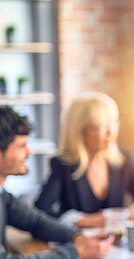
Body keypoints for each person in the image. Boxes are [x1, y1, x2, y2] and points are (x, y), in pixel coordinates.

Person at [0, 106, 113, 258]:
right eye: (21, 146)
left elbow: (35, 221)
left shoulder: (3, 196)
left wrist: (78, 237)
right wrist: (76, 252)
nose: (29, 152)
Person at [35, 92, 134, 228]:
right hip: (80, 243)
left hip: (117, 244)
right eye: (100, 126)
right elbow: (41, 210)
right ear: (80, 131)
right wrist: (84, 220)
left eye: (114, 122)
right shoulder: (63, 164)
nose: (111, 132)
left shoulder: (123, 159)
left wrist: (132, 212)